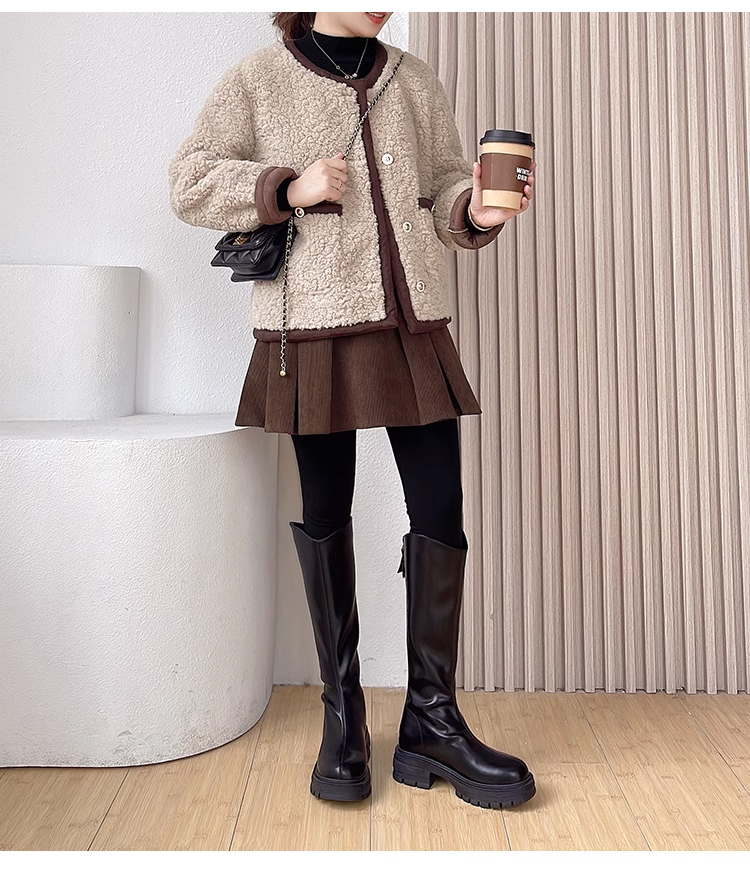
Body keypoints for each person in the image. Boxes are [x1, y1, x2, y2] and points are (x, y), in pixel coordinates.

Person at [168, 11, 537, 810]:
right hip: (313, 322)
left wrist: (476, 210)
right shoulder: (257, 79)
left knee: (440, 505)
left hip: (412, 322)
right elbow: (189, 181)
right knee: (326, 508)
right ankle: (344, 718)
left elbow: (444, 188)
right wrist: (286, 188)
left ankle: (432, 720)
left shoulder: (413, 77)